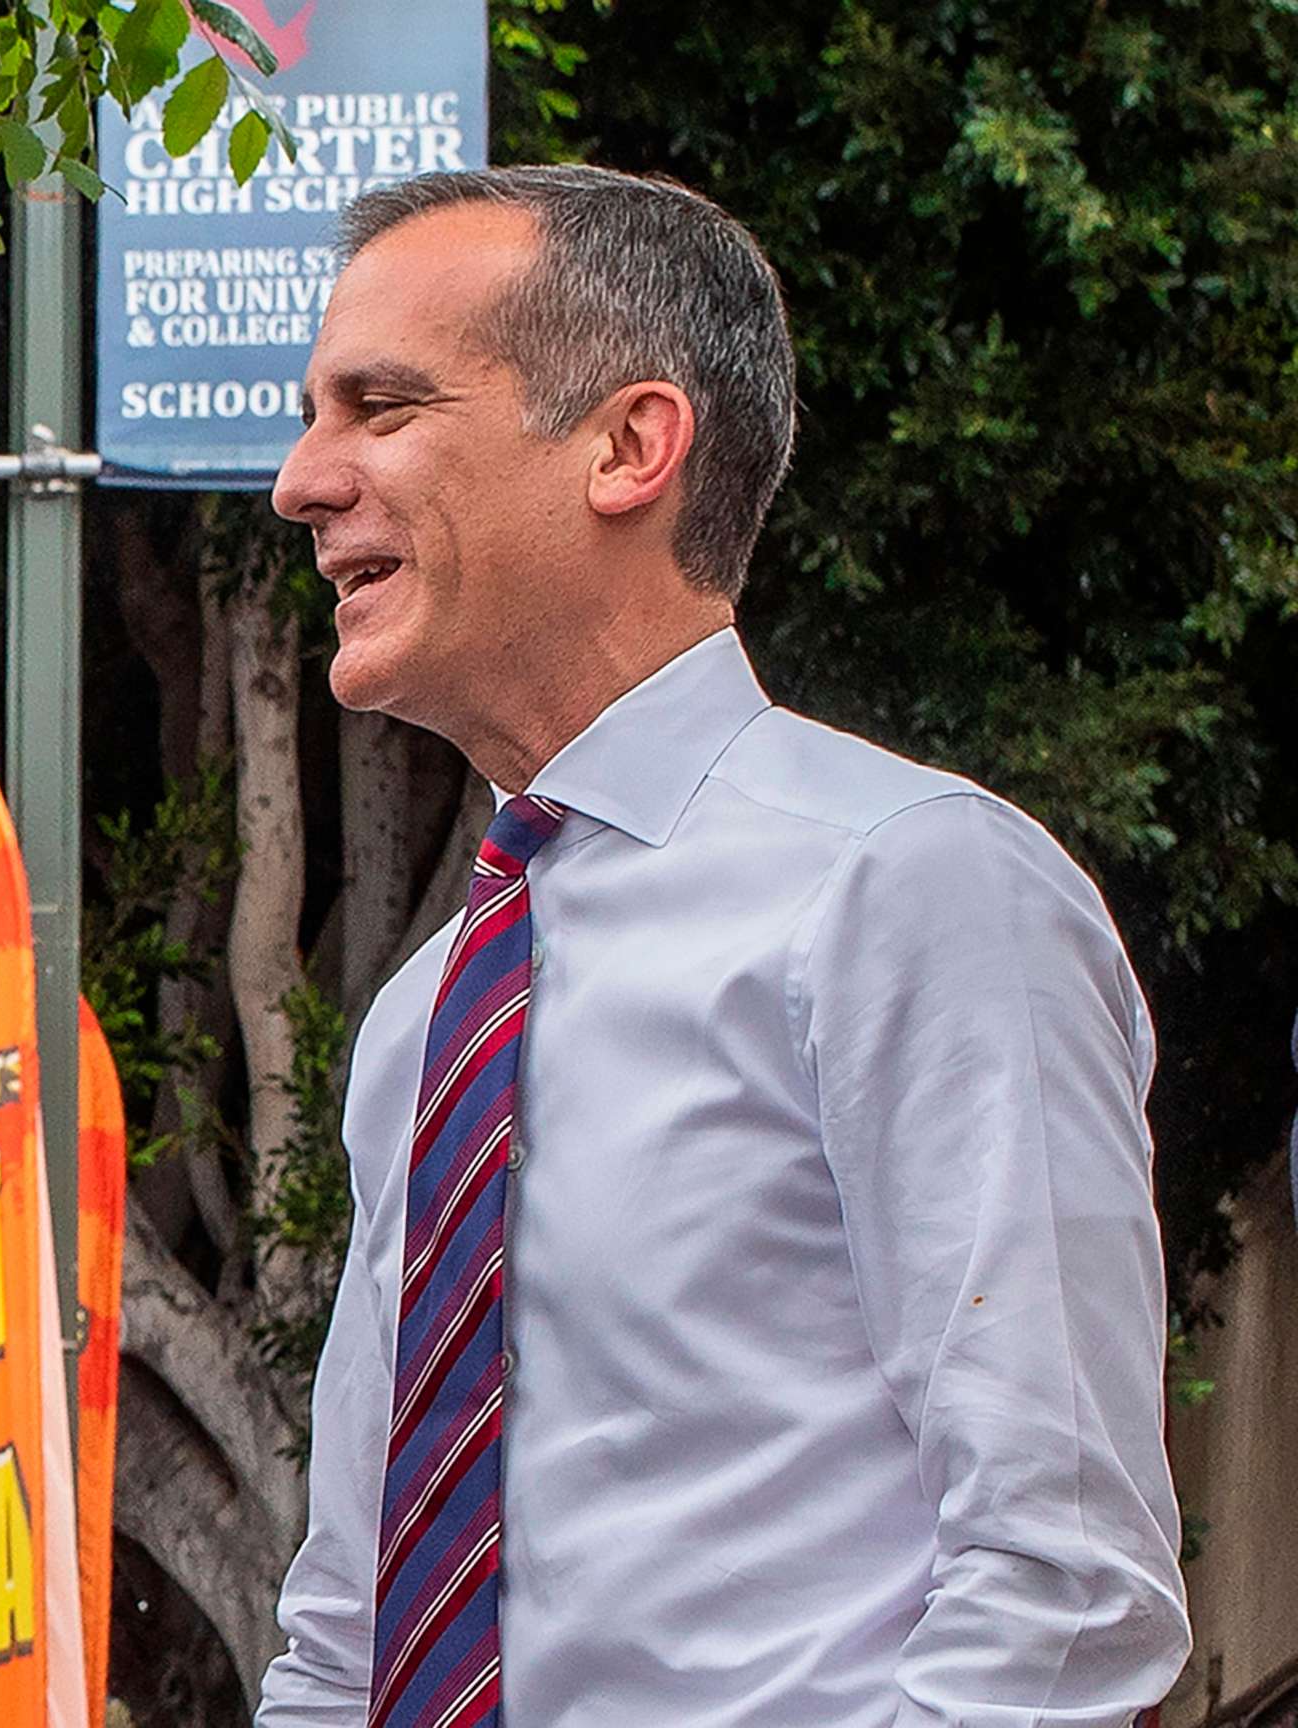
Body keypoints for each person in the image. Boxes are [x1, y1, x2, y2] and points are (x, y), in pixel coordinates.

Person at [257, 165, 1188, 1728]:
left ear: (630, 445)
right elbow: (344, 1624)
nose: (300, 479)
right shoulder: (431, 1014)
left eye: (382, 406)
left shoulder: (913, 888)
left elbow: (1065, 1582)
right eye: (315, 412)